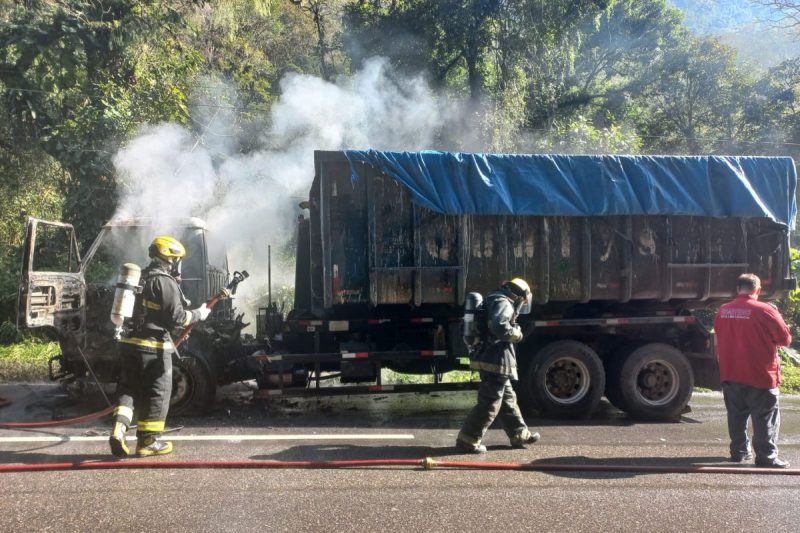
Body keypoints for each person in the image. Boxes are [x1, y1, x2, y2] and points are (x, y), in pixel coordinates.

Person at [108, 235, 211, 457]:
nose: (178, 265)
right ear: (170, 258)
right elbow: (178, 319)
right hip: (152, 347)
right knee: (158, 392)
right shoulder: (165, 282)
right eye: (178, 260)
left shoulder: (141, 278)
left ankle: (119, 428)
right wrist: (199, 314)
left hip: (128, 343)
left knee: (128, 388)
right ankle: (148, 442)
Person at [714, 273, 792, 468]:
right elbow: (785, 339)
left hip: (731, 372)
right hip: (760, 374)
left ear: (737, 289)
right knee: (765, 416)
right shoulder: (765, 310)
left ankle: (739, 452)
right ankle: (767, 457)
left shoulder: (723, 310)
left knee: (736, 415)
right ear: (758, 290)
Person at [456, 278, 540, 453]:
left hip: (494, 359)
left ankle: (519, 434)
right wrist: (517, 334)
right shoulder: (503, 302)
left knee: (508, 400)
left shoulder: (494, 299)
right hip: (495, 360)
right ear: (518, 296)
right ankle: (467, 440)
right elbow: (499, 326)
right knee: (489, 403)